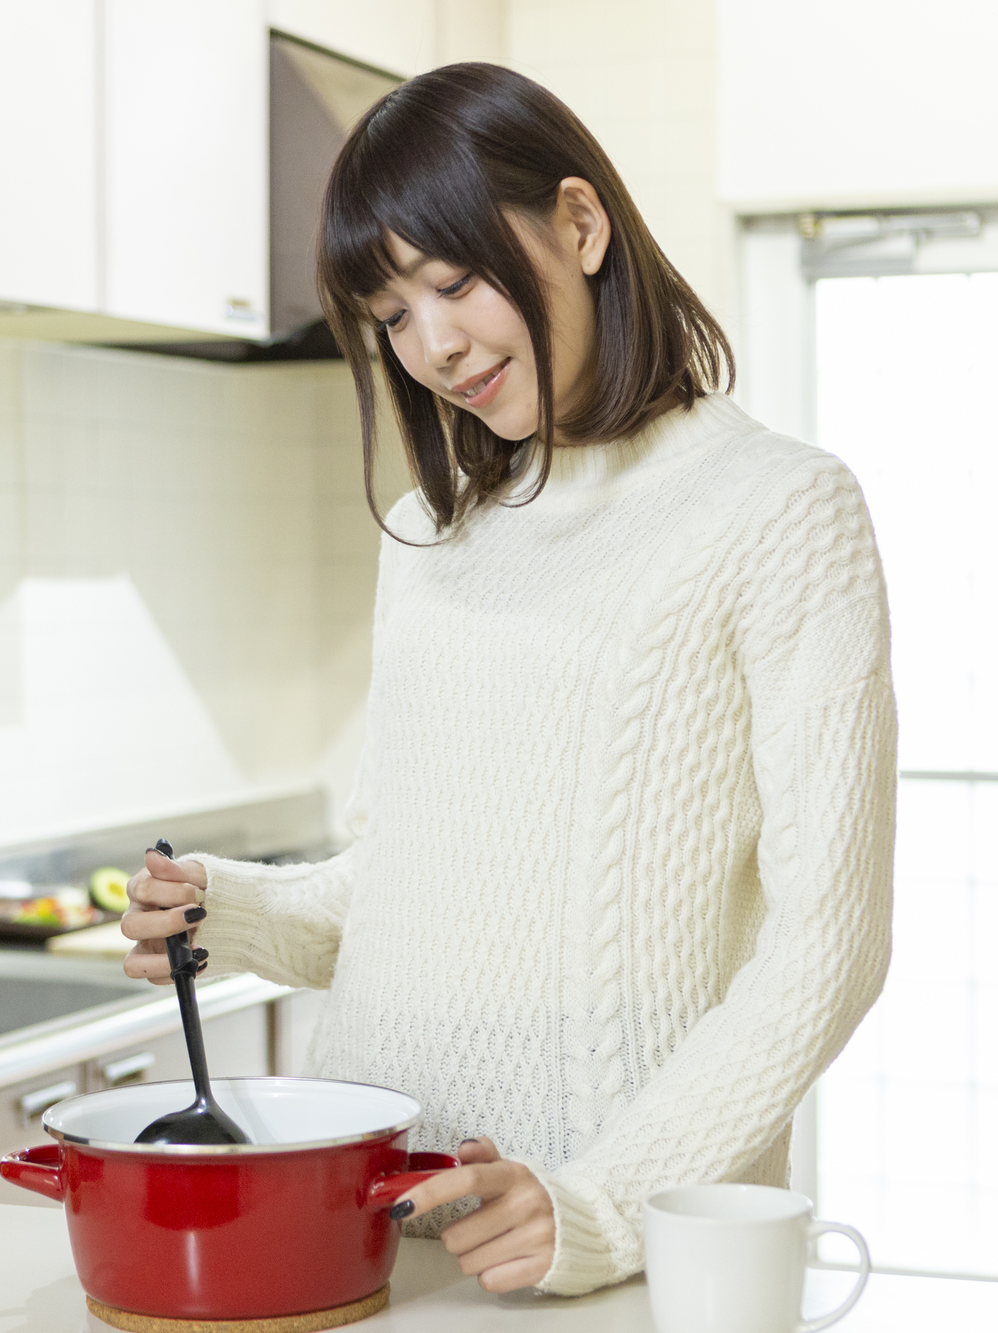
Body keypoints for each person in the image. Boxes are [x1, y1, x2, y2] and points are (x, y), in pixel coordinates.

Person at [121, 62, 894, 1298]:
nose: (431, 346)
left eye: (454, 279)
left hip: (618, 1249)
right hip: (368, 1221)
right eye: (389, 311)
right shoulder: (430, 535)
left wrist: (601, 1204)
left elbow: (828, 945)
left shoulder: (779, 512)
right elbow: (406, 890)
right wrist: (229, 908)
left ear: (579, 225)